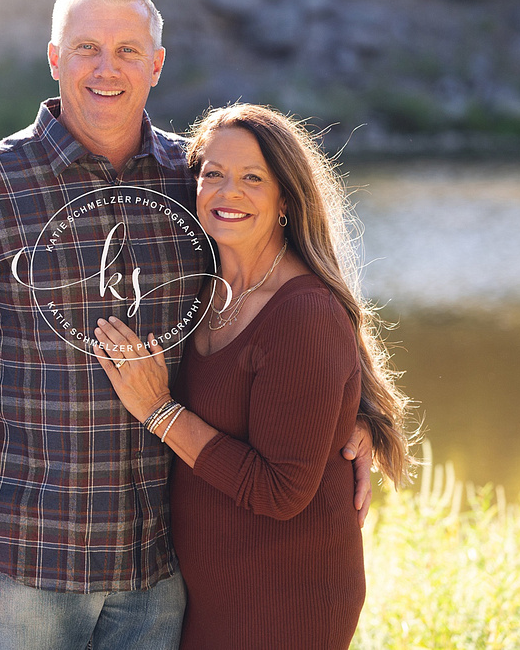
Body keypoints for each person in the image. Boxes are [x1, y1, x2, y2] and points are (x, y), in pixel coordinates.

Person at [0, 0, 377, 649]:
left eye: (127, 50)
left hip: (159, 572)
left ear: (156, 64)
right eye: (86, 47)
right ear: (55, 59)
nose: (106, 68)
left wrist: (358, 419)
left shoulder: (195, 183)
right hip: (23, 565)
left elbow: (289, 304)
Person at [90, 103, 413, 649]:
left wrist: (159, 413)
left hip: (284, 597)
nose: (227, 192)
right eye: (212, 174)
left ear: (285, 197)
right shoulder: (203, 289)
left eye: (252, 178)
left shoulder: (302, 312)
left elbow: (281, 489)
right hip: (209, 587)